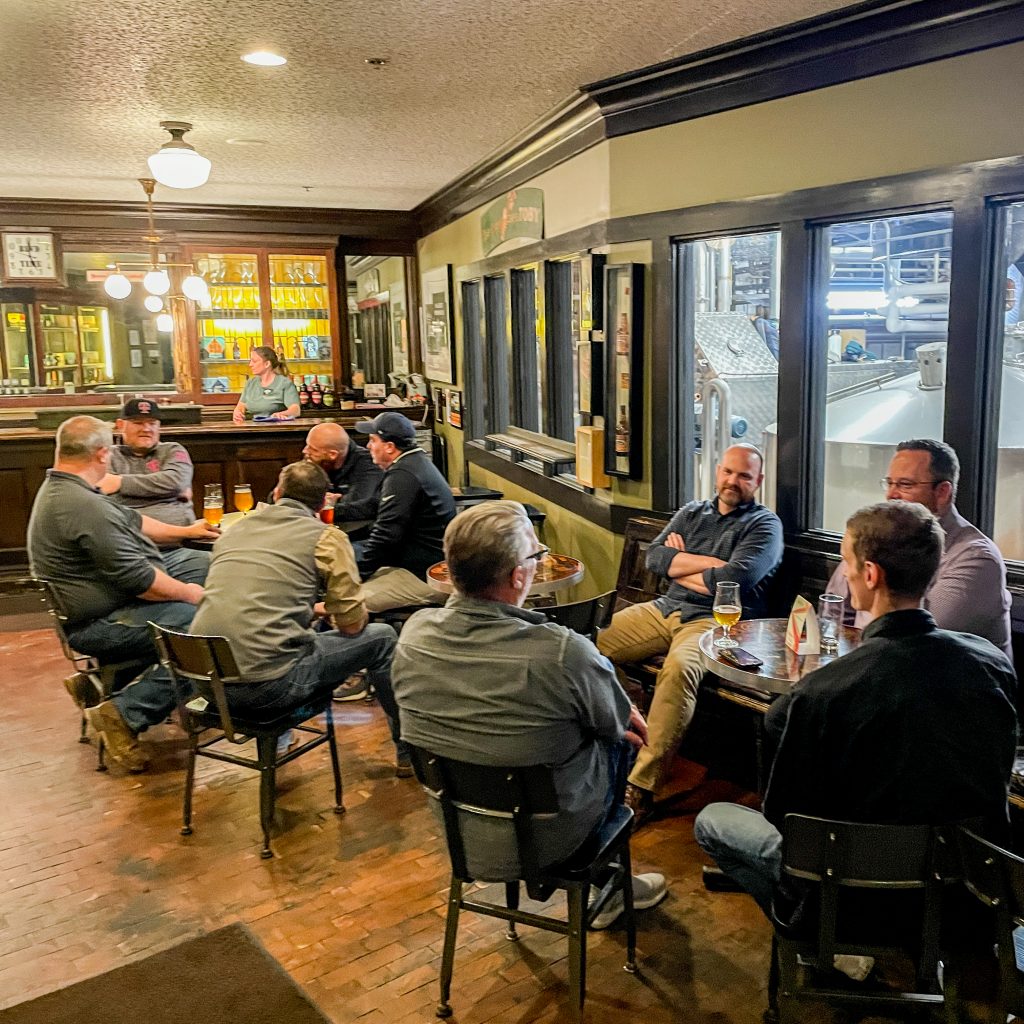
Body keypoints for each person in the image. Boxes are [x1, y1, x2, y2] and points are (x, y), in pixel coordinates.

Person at [694, 500, 1016, 924]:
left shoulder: (818, 695)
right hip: (963, 892)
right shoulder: (992, 665)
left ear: (870, 574)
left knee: (713, 821)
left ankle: (813, 935)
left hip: (849, 894)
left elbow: (786, 822)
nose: (844, 574)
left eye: (847, 562)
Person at [392, 501, 667, 928]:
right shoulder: (562, 652)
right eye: (536, 556)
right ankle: (608, 879)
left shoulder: (412, 635)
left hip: (458, 832)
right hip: (551, 839)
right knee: (624, 741)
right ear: (521, 575)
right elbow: (615, 724)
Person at [597, 444, 783, 828]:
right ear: (717, 472)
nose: (734, 481)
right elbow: (654, 559)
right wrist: (708, 566)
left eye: (745, 475)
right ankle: (632, 721)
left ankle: (641, 786)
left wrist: (680, 567)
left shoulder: (765, 526)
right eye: (729, 472)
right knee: (589, 642)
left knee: (680, 669)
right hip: (664, 609)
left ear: (759, 482)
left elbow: (736, 579)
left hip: (717, 622)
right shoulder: (692, 511)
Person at [27, 415, 220, 773]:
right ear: (103, 455)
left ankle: (98, 684)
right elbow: (142, 583)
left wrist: (187, 530)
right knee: (203, 625)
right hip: (98, 622)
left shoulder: (68, 488)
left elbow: (134, 522)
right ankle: (123, 714)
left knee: (202, 567)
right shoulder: (81, 504)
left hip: (98, 605)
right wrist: (193, 595)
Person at [190, 461, 407, 773]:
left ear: (277, 493)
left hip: (207, 683)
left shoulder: (233, 531)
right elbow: (352, 625)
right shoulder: (326, 538)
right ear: (324, 503)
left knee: (280, 638)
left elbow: (253, 602)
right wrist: (330, 609)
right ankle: (409, 751)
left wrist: (311, 608)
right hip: (269, 689)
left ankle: (280, 740)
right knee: (383, 637)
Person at [826, 438, 1012, 658]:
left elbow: (917, 637)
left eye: (905, 485)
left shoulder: (977, 558)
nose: (891, 495)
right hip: (874, 669)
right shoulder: (877, 535)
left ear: (942, 492)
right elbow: (834, 610)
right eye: (890, 483)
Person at [354, 411, 456, 612]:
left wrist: (356, 574)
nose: (368, 447)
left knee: (345, 603)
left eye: (372, 440)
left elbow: (386, 535)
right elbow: (374, 506)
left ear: (390, 447)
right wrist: (337, 511)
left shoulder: (403, 475)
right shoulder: (415, 462)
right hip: (424, 562)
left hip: (424, 574)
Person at [99, 397, 196, 531]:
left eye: (152, 423)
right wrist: (168, 494)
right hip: (127, 546)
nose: (146, 429)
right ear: (121, 425)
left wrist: (119, 483)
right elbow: (104, 503)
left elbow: (177, 482)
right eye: (138, 423)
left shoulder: (173, 450)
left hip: (181, 546)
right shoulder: (108, 456)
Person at [300, 421, 383, 521]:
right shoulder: (311, 460)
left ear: (332, 455)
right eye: (307, 445)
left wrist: (330, 503)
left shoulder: (368, 466)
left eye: (313, 449)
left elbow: (359, 506)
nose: (305, 451)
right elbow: (286, 494)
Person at [232, 346, 300, 423]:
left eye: (254, 361)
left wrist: (281, 414)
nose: (250, 364)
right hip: (252, 428)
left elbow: (295, 410)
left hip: (278, 428)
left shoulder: (285, 383)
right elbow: (241, 406)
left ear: (267, 364)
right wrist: (237, 413)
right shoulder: (251, 383)